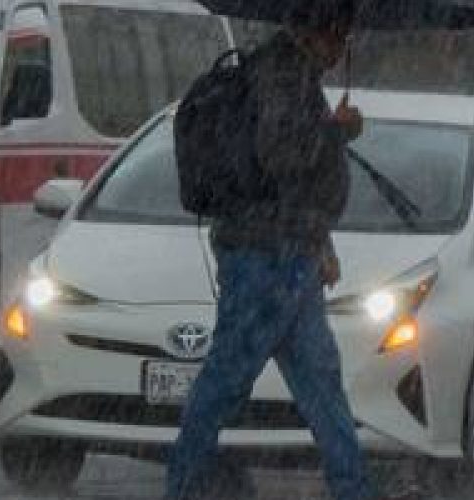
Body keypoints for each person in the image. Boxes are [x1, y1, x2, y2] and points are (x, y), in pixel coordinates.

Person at [165, 3, 416, 500]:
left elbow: (295, 180)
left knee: (319, 382)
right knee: (229, 378)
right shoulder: (282, 75)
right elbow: (283, 157)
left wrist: (318, 241)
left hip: (289, 252)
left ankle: (351, 486)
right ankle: (185, 482)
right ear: (318, 30)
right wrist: (338, 130)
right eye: (340, 34)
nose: (342, 46)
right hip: (267, 257)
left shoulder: (292, 73)